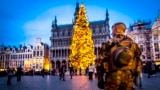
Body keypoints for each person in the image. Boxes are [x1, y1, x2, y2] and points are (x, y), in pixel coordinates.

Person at [97, 22, 142, 90]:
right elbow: (138, 61)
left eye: (112, 30)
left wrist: (100, 80)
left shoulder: (107, 45)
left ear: (116, 30)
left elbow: (99, 63)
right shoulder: (133, 45)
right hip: (128, 77)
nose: (111, 33)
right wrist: (135, 76)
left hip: (112, 77)